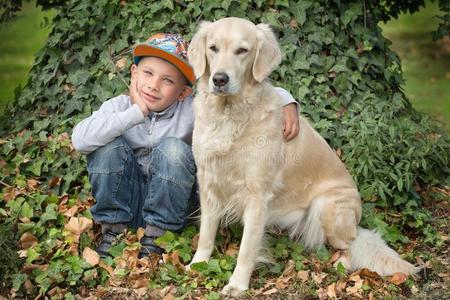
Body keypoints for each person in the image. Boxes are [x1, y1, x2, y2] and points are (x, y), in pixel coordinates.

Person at [71, 33, 300, 258]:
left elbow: (243, 99)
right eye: (148, 74)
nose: (153, 85)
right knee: (106, 147)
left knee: (174, 149)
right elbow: (80, 140)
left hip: (172, 203)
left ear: (184, 92)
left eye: (168, 80)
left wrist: (285, 100)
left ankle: (157, 238)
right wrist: (137, 112)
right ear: (134, 73)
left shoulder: (193, 109)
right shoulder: (117, 107)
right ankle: (113, 234)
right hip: (126, 199)